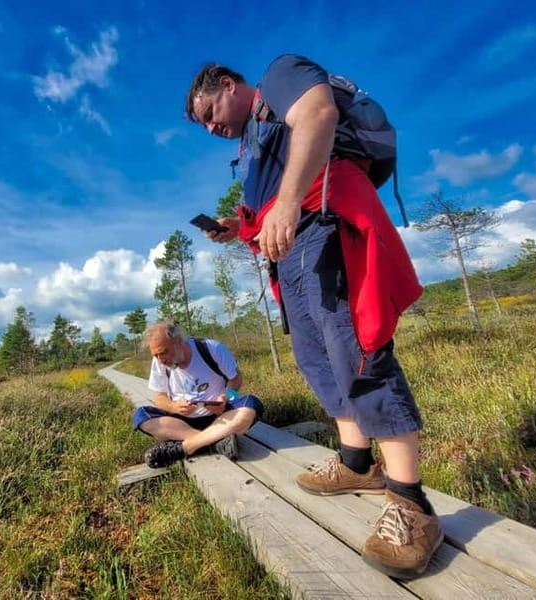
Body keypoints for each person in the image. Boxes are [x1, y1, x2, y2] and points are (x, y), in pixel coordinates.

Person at [184, 55, 442, 580]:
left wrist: (285, 202)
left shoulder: (281, 75)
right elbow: (273, 197)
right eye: (205, 125)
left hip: (324, 223)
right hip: (290, 250)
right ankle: (355, 464)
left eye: (209, 112)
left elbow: (319, 114)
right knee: (317, 359)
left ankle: (412, 504)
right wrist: (239, 226)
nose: (211, 128)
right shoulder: (252, 139)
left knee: (357, 350)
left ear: (229, 85)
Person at [133, 321, 263, 469]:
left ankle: (184, 448)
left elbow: (236, 378)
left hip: (220, 417)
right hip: (182, 423)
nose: (160, 360)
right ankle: (214, 442)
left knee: (251, 405)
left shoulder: (212, 349)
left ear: (178, 341)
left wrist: (226, 397)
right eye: (155, 355)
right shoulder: (159, 362)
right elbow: (159, 397)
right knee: (141, 416)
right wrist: (173, 406)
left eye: (163, 352)